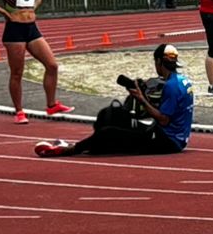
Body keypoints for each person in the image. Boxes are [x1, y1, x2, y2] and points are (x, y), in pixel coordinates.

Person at [35, 44, 195, 158]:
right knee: (116, 117)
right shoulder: (182, 80)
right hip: (170, 133)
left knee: (108, 132)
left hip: (167, 140)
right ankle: (91, 146)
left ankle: (68, 150)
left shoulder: (172, 87)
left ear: (159, 61)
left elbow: (164, 119)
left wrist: (141, 99)